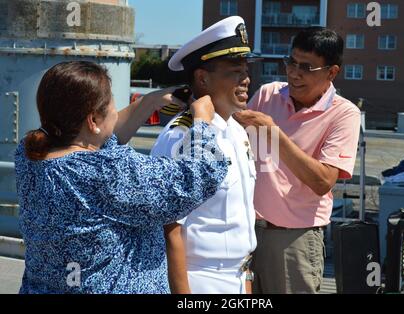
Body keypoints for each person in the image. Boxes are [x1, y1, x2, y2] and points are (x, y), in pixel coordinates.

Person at [14, 61, 228, 294]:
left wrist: (148, 103)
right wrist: (203, 123)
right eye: (112, 103)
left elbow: (92, 140)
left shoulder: (29, 154)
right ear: (93, 120)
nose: (116, 111)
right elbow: (197, 177)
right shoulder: (108, 172)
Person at [234, 27, 361, 294]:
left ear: (332, 72)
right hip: (243, 231)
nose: (293, 72)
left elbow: (323, 181)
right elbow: (237, 145)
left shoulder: (345, 114)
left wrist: (274, 133)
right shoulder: (268, 94)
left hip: (293, 239)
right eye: (291, 62)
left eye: (306, 67)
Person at [151, 16, 260, 294]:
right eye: (235, 71)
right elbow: (169, 227)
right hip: (199, 281)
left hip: (238, 277)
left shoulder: (237, 130)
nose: (246, 79)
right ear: (202, 78)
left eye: (245, 70)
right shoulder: (181, 136)